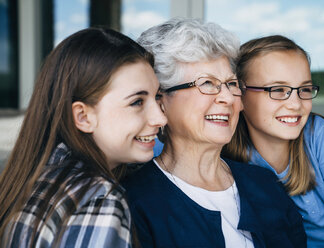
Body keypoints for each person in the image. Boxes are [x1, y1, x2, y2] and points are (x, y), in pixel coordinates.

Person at [123, 18, 307, 248]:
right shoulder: (135, 202)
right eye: (207, 84)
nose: (228, 98)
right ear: (160, 101)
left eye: (231, 84)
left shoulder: (265, 183)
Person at [0, 27, 167, 247]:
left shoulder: (38, 180)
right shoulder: (99, 201)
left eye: (157, 97)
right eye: (137, 102)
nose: (160, 118)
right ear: (83, 116)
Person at [223, 35, 324, 247]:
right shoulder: (224, 151)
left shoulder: (316, 133)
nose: (295, 104)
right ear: (240, 94)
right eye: (278, 90)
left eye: (304, 89)